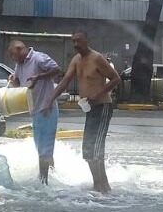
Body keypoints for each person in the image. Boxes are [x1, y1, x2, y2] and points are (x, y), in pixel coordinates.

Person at [45, 31, 120, 193]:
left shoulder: (97, 58)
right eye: (73, 42)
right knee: (88, 149)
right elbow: (65, 81)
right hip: (90, 108)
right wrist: (50, 99)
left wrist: (98, 93)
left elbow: (116, 78)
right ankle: (98, 185)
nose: (76, 44)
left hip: (102, 106)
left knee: (96, 149)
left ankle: (104, 187)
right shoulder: (76, 60)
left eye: (79, 41)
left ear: (87, 40)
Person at [8, 40, 61, 184]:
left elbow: (57, 70)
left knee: (44, 148)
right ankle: (53, 177)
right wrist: (14, 80)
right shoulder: (20, 64)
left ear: (19, 49)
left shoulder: (39, 58)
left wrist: (39, 77)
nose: (13, 59)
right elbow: (20, 84)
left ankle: (43, 181)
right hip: (34, 109)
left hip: (46, 108)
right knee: (42, 147)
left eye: (13, 55)